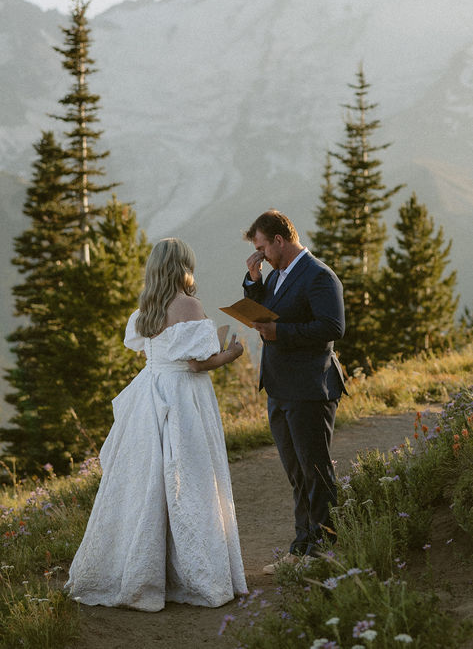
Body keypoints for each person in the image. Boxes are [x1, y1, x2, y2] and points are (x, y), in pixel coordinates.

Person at [65, 238, 248, 611]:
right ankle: (194, 576)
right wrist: (230, 353)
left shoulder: (146, 308)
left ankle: (139, 569)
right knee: (190, 480)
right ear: (183, 266)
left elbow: (160, 350)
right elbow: (197, 363)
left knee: (147, 484)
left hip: (151, 393)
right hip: (182, 397)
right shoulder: (189, 305)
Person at [242, 210, 346, 573]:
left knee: (315, 471)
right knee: (297, 473)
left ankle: (324, 551)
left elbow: (333, 327)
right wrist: (254, 280)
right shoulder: (276, 275)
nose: (260, 255)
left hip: (309, 387)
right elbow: (269, 311)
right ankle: (302, 548)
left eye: (261, 248)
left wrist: (280, 334)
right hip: (279, 386)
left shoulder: (319, 275)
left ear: (279, 241)